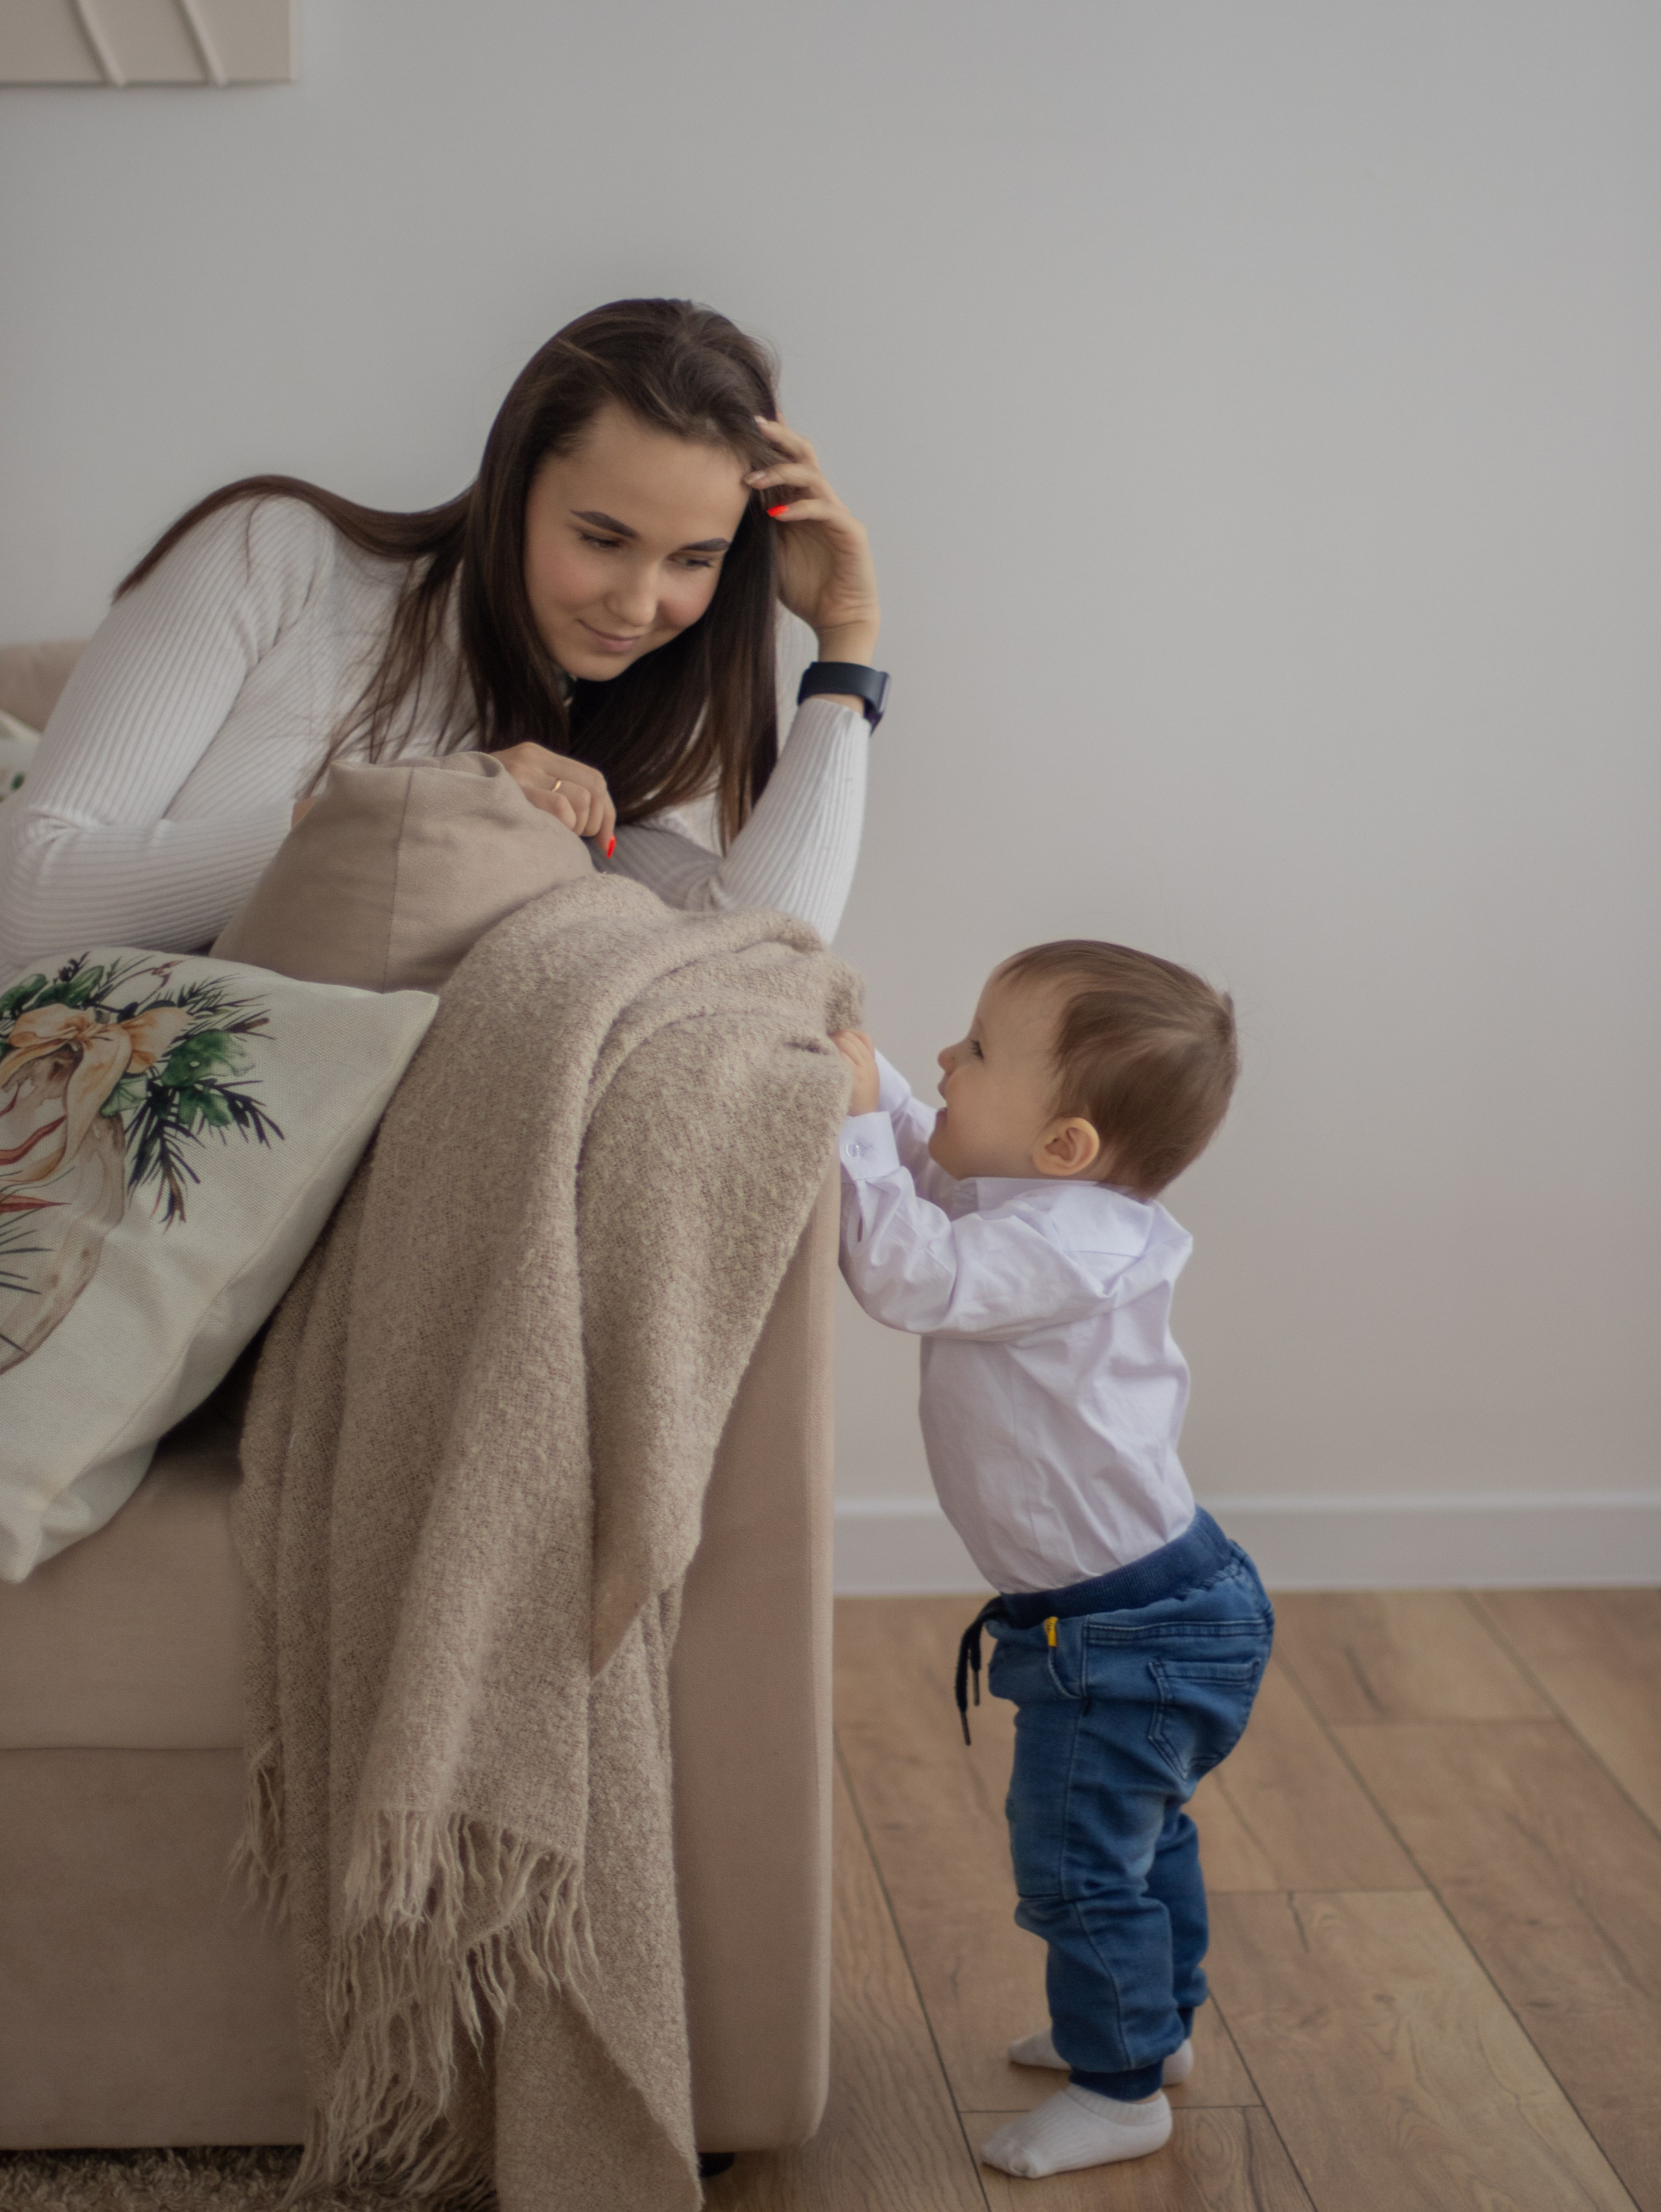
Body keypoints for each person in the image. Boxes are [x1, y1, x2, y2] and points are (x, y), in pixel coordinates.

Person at [0, 298, 884, 972]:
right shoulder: (275, 555)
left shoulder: (621, 750)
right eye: (602, 540)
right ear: (513, 486)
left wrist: (846, 647)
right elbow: (30, 898)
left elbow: (758, 961)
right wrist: (423, 808)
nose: (637, 603)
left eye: (693, 559)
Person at [830, 940, 1270, 2181]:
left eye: (973, 1053)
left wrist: (863, 1132)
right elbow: (939, 1152)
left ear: (1068, 1144)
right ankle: (1153, 2024)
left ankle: (1120, 2085)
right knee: (1141, 1834)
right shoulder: (1039, 1197)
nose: (942, 1063)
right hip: (1144, 1607)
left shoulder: (1072, 1244)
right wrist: (884, 1105)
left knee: (1078, 1865)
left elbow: (909, 1274)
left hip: (1134, 1629)